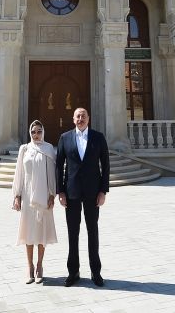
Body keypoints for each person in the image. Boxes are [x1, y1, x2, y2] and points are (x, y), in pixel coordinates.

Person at [55, 107, 110, 287]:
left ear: (89, 119)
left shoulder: (98, 137)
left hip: (93, 193)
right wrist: (60, 191)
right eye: (78, 116)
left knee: (92, 231)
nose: (81, 119)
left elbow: (106, 165)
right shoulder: (65, 138)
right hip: (71, 193)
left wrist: (103, 191)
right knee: (73, 233)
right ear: (73, 119)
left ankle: (96, 272)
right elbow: (59, 166)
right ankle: (73, 271)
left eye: (83, 116)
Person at [12, 120, 58, 284]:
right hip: (27, 196)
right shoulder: (24, 149)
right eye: (33, 132)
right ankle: (29, 266)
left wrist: (52, 194)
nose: (36, 134)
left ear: (43, 132)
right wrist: (17, 195)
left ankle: (40, 265)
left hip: (44, 196)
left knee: (41, 233)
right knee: (29, 232)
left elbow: (52, 174)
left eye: (39, 131)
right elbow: (19, 173)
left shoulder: (48, 149)